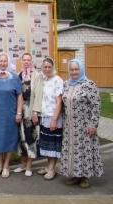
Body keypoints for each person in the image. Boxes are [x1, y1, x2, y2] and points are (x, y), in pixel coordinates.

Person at [60, 59, 104, 188]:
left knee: (84, 151)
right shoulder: (66, 84)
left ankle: (85, 177)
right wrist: (63, 120)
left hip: (84, 125)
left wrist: (93, 125)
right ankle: (76, 175)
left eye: (76, 69)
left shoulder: (89, 85)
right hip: (70, 126)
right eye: (72, 69)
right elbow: (63, 105)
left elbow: (96, 105)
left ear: (81, 70)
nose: (74, 72)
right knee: (72, 151)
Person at [0, 52, 23, 179]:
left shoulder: (14, 78)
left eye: (5, 61)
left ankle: (7, 166)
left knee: (8, 138)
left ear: (8, 63)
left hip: (9, 113)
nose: (3, 63)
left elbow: (19, 95)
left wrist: (19, 113)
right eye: (1, 61)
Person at [13, 53, 43, 177]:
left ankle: (30, 166)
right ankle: (22, 164)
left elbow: (38, 95)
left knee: (30, 137)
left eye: (28, 60)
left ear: (31, 61)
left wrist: (35, 112)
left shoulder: (36, 75)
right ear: (21, 61)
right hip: (20, 110)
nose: (26, 62)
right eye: (24, 60)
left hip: (30, 111)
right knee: (21, 137)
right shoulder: (18, 76)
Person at [37, 57, 63, 180]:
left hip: (54, 117)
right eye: (45, 67)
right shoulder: (44, 79)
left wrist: (54, 119)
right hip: (44, 116)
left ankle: (52, 169)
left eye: (49, 67)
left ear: (53, 68)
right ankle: (48, 166)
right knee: (47, 144)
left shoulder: (57, 80)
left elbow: (59, 102)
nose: (47, 69)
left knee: (53, 144)